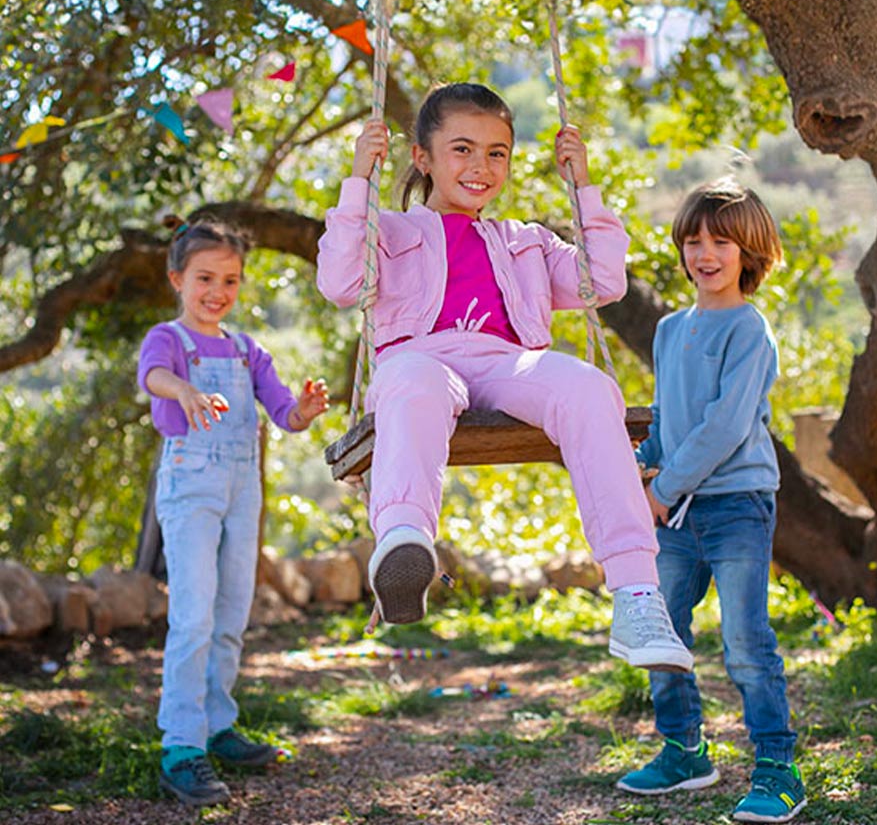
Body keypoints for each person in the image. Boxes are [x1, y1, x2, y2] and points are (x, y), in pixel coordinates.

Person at [316, 82, 692, 673]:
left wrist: (584, 187)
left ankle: (637, 594)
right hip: (419, 358)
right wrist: (358, 183)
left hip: (507, 364)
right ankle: (404, 541)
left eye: (497, 152)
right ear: (423, 157)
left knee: (590, 386)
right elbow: (340, 283)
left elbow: (602, 283)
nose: (481, 167)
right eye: (462, 149)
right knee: (414, 384)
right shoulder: (387, 231)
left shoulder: (527, 241)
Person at [616, 177, 806, 823]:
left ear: (749, 253)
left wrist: (663, 488)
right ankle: (684, 750)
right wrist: (640, 475)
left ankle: (778, 769)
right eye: (694, 240)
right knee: (662, 633)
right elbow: (669, 420)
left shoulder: (750, 330)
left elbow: (726, 426)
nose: (705, 253)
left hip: (736, 504)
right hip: (674, 512)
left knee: (745, 640)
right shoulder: (671, 330)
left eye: (721, 242)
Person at [138, 219, 329, 807]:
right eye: (204, 278)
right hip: (191, 487)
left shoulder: (249, 351)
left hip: (243, 489)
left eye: (230, 280)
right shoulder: (170, 339)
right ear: (178, 278)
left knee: (230, 611)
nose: (217, 291)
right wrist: (185, 392)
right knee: (193, 613)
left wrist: (303, 409)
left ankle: (219, 725)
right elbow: (153, 375)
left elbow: (282, 414)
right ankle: (181, 745)